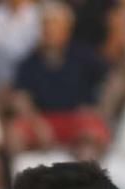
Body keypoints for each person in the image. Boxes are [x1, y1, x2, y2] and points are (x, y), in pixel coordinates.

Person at [8, 2, 110, 152]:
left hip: (76, 119)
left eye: (54, 24)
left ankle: (84, 174)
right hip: (43, 120)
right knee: (14, 133)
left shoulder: (84, 57)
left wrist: (99, 108)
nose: (49, 29)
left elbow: (110, 79)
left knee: (92, 134)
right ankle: (20, 174)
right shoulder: (29, 63)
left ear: (67, 28)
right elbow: (21, 98)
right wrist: (37, 123)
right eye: (45, 24)